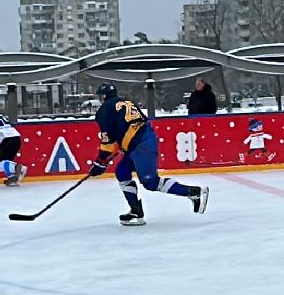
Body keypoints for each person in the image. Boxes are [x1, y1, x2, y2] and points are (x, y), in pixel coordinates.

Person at [89, 83, 208, 226]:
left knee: (150, 182)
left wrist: (100, 162)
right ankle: (136, 211)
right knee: (122, 171)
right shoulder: (126, 102)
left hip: (141, 145)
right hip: (141, 141)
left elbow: (108, 143)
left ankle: (192, 192)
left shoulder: (104, 111)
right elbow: (132, 126)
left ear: (102, 97)